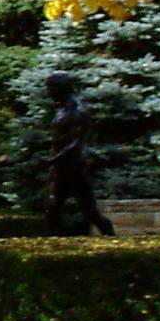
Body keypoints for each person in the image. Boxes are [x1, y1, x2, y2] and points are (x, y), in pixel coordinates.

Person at [44, 72, 115, 236]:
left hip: (74, 168)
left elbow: (76, 144)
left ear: (61, 89)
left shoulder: (78, 110)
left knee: (89, 211)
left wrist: (52, 159)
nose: (49, 93)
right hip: (60, 167)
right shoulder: (62, 109)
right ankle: (53, 247)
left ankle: (108, 234)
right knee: (52, 207)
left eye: (51, 89)